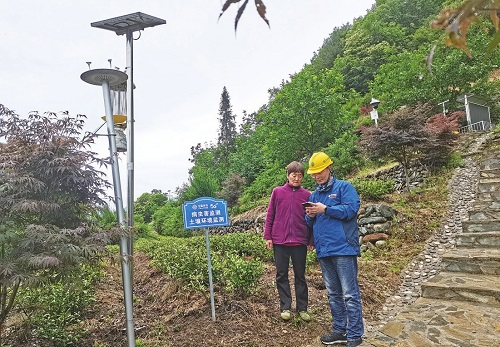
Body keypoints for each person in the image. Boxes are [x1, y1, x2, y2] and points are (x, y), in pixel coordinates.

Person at [304, 152, 364, 347]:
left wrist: (326, 209)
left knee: (350, 294)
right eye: (313, 173)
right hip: (324, 250)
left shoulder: (344, 187)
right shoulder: (314, 195)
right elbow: (309, 222)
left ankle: (355, 335)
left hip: (344, 249)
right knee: (333, 294)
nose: (316, 176)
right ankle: (340, 330)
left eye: (319, 172)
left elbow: (350, 210)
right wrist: (311, 214)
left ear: (329, 168)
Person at [264, 161, 314, 322]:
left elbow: (312, 219)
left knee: (300, 276)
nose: (297, 178)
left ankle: (302, 308)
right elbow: (270, 214)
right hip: (280, 241)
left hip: (300, 241)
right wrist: (268, 236)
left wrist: (310, 240)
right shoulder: (277, 192)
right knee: (281, 274)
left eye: (300, 176)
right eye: (294, 175)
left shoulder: (307, 195)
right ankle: (285, 306)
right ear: (287, 175)